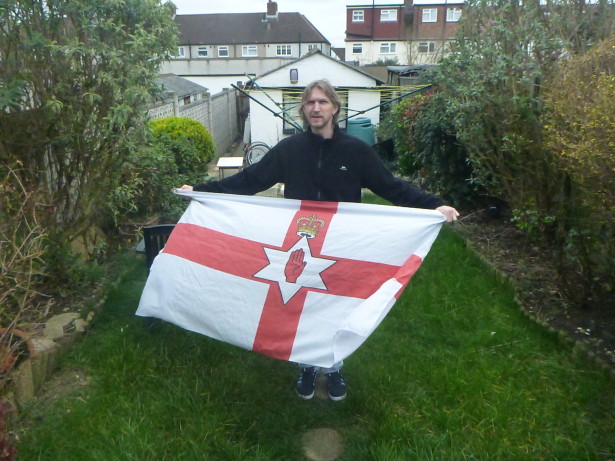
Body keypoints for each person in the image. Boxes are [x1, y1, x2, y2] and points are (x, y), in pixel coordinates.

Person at [179, 79, 459, 401]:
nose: (316, 108)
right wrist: (201, 190)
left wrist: (433, 204)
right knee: (302, 306)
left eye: (323, 102)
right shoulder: (289, 150)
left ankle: (333, 365)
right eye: (310, 103)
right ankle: (307, 365)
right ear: (303, 110)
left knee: (335, 305)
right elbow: (250, 180)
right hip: (300, 245)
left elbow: (392, 187)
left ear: (335, 108)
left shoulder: (356, 151)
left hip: (343, 242)